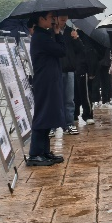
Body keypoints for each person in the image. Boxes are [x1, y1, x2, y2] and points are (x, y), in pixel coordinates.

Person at [26, 11, 66, 166]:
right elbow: (61, 51)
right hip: (45, 81)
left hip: (50, 80)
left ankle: (44, 151)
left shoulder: (45, 35)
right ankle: (35, 153)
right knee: (42, 115)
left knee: (48, 115)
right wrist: (58, 34)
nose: (53, 20)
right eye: (50, 17)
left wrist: (55, 34)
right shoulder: (40, 37)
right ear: (41, 19)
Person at [56, 14, 81, 135]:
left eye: (65, 16)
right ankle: (52, 126)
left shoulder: (71, 31)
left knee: (69, 100)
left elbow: (80, 50)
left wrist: (76, 39)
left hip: (69, 69)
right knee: (55, 99)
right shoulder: (50, 32)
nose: (63, 18)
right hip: (55, 69)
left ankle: (69, 124)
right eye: (61, 16)